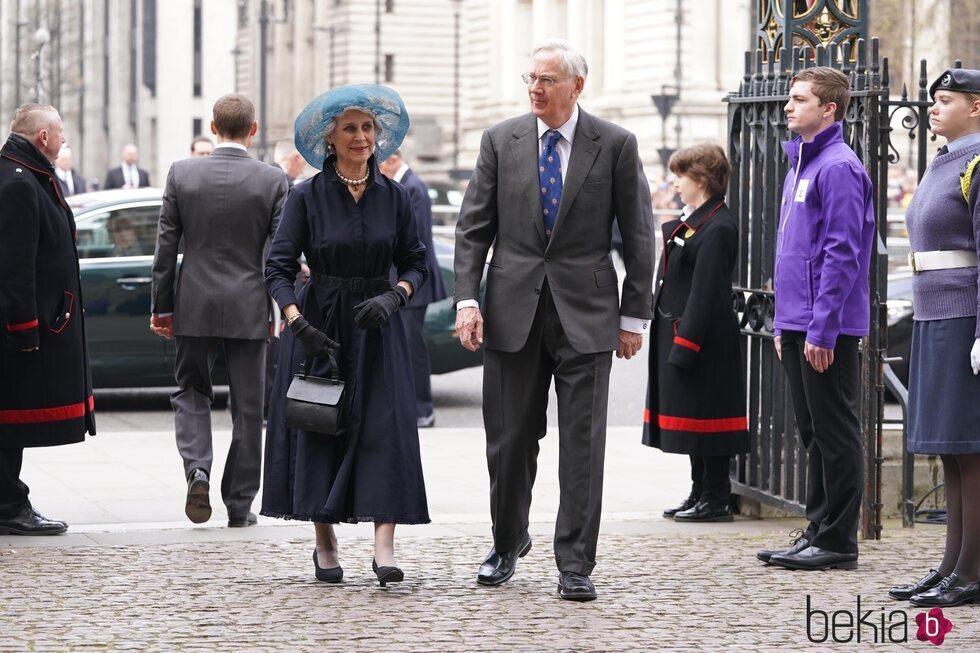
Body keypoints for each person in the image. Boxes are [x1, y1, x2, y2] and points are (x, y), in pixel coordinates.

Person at [453, 40, 654, 602]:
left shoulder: (614, 144)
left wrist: (635, 316)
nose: (535, 88)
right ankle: (506, 542)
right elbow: (472, 230)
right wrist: (468, 301)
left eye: (546, 79)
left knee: (582, 446)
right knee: (510, 439)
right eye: (530, 78)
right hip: (510, 311)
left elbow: (639, 237)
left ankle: (575, 563)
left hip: (587, 315)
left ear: (576, 86)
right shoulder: (501, 140)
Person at [262, 84, 430, 587]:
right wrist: (298, 323)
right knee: (319, 426)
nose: (362, 137)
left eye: (368, 128)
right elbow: (278, 267)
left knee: (386, 429)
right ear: (329, 138)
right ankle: (325, 543)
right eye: (350, 128)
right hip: (320, 327)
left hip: (379, 328)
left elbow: (418, 261)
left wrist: (396, 295)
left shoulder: (395, 196)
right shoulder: (305, 196)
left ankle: (385, 547)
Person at [150, 94, 289, 528]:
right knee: (250, 409)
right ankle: (240, 504)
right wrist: (281, 307)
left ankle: (197, 469)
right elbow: (279, 255)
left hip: (194, 302)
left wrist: (162, 306)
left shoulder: (183, 173)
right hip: (250, 305)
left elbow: (166, 247)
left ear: (212, 127)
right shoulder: (272, 180)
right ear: (254, 129)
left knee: (191, 390)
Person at [757, 67, 875, 571]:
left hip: (828, 326)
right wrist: (786, 324)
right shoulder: (801, 166)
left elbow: (843, 253)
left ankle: (839, 541)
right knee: (812, 431)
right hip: (800, 321)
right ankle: (819, 527)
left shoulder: (838, 167)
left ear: (829, 109)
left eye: (799, 99)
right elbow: (793, 252)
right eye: (789, 98)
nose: (788, 106)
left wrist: (822, 327)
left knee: (834, 429)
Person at [890, 68, 980, 608]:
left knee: (971, 449)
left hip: (964, 314)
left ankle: (971, 570)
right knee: (949, 448)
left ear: (977, 107)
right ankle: (951, 564)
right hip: (933, 311)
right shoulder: (946, 161)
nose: (934, 109)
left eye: (945, 100)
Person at [0, 104, 96, 535]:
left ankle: (9, 500)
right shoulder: (19, 182)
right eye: (61, 134)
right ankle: (9, 505)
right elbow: (14, 266)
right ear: (42, 136)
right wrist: (25, 328)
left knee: (11, 419)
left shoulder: (27, 173)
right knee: (10, 419)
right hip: (21, 327)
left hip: (33, 321)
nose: (63, 141)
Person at [642, 144, 748, 523]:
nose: (675, 184)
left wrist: (686, 345)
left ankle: (716, 497)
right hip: (686, 333)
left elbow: (706, 293)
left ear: (700, 180)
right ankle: (699, 490)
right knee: (693, 420)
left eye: (680, 176)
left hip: (704, 341)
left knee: (708, 421)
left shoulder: (718, 225)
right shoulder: (698, 220)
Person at [379, 149, 447, 428]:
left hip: (413, 284)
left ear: (394, 160)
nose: (378, 169)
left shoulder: (413, 188)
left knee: (412, 349)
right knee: (406, 348)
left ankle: (423, 409)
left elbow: (414, 239)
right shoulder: (406, 186)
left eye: (381, 163)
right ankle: (413, 407)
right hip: (406, 283)